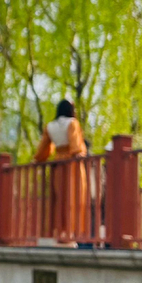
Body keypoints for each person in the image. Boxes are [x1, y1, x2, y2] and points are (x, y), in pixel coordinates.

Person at [35, 100, 88, 243]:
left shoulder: (50, 126)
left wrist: (38, 160)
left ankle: (58, 230)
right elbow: (76, 146)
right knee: (73, 197)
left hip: (57, 165)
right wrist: (81, 153)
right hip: (72, 166)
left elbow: (42, 152)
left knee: (58, 199)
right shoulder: (72, 123)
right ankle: (71, 233)